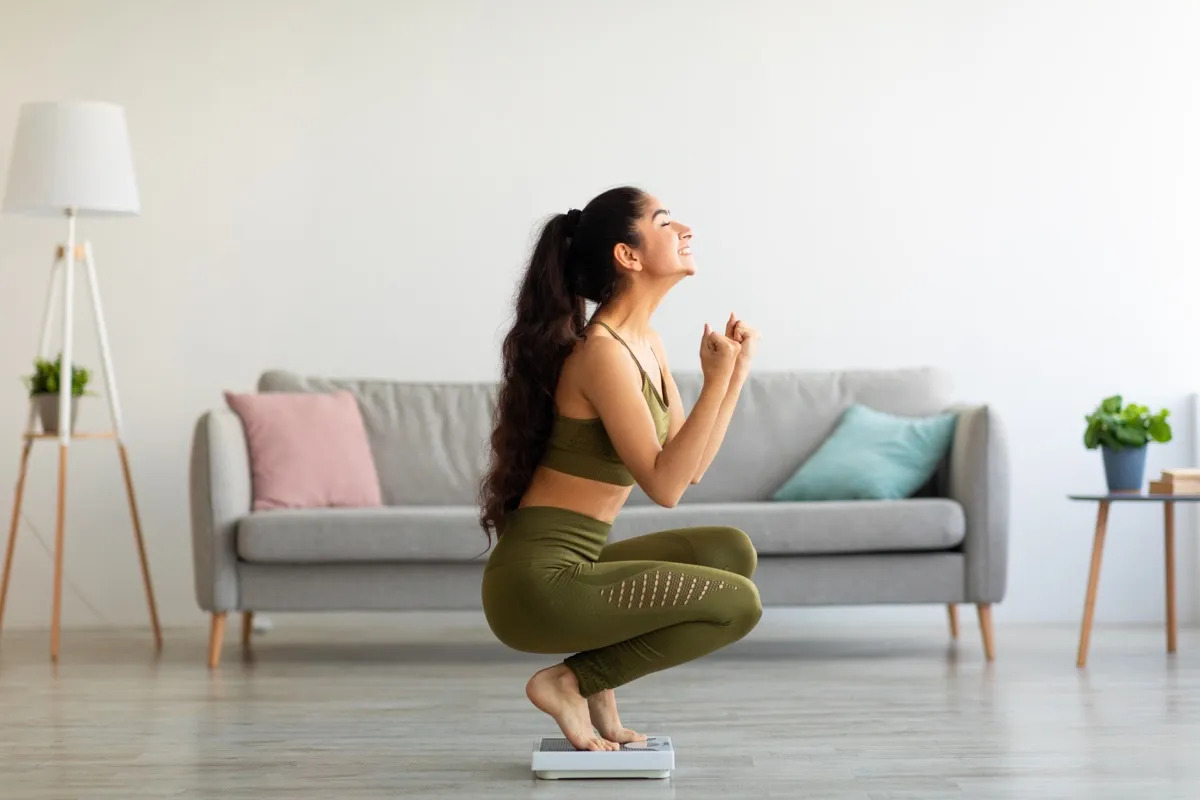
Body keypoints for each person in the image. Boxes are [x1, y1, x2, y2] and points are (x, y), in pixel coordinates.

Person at [478, 186, 762, 752]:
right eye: (664, 221)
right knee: (739, 604)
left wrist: (735, 376)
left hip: (575, 570)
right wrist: (714, 382)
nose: (683, 229)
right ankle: (571, 681)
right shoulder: (602, 353)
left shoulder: (645, 342)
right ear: (627, 255)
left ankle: (595, 679)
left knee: (730, 551)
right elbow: (664, 486)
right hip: (535, 587)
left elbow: (690, 467)